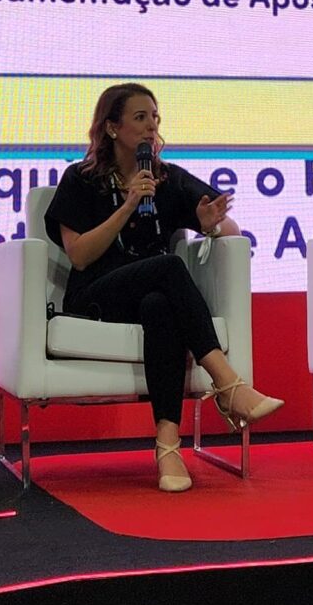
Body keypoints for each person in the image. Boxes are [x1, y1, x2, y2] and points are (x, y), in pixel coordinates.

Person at [41, 83, 284, 492]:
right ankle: (228, 385)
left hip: (148, 298)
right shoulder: (81, 179)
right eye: (140, 118)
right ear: (112, 127)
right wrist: (128, 205)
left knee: (159, 305)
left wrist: (211, 225)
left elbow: (229, 227)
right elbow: (80, 255)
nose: (151, 127)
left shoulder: (166, 178)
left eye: (155, 118)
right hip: (95, 297)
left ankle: (168, 446)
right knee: (169, 266)